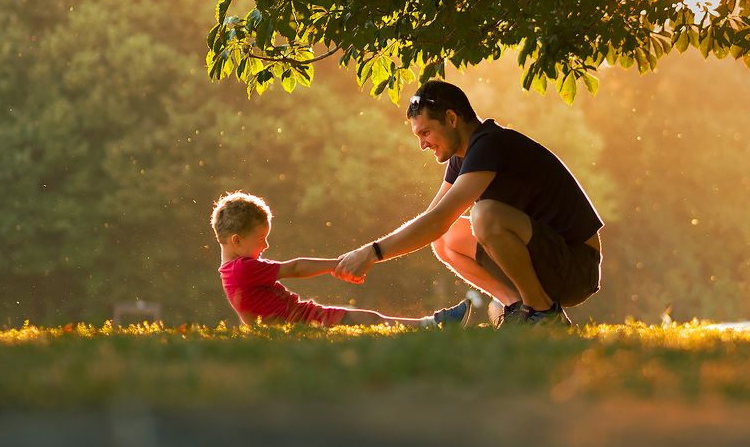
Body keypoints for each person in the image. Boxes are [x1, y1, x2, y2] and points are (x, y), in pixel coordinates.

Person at [333, 80, 603, 328]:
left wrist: (372, 253)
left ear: (451, 118)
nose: (422, 145)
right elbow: (432, 223)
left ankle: (544, 314)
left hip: (578, 268)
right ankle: (518, 309)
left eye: (425, 132)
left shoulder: (491, 143)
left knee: (484, 214)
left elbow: (437, 219)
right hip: (546, 259)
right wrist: (361, 255)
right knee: (444, 238)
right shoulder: (462, 157)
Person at [210, 191, 472, 328]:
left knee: (370, 319)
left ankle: (432, 324)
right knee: (371, 321)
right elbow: (296, 267)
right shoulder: (242, 269)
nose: (265, 245)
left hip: (305, 318)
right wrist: (338, 264)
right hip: (306, 323)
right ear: (236, 241)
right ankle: (433, 325)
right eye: (260, 240)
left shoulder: (235, 271)